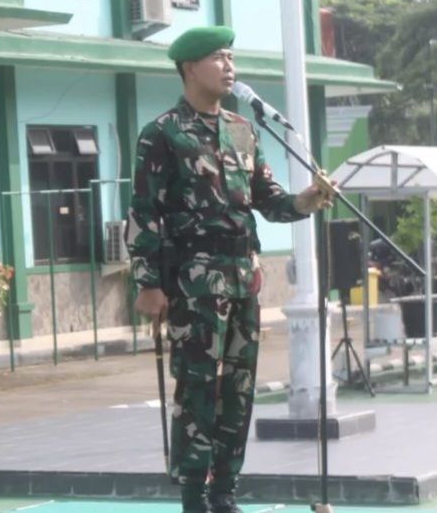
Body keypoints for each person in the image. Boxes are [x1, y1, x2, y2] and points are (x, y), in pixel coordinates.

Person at [126, 26, 336, 513]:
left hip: (244, 277)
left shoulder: (243, 130)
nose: (228, 66)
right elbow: (144, 213)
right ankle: (194, 495)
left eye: (230, 57)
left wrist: (306, 200)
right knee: (200, 387)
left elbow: (268, 200)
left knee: (239, 390)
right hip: (194, 283)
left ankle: (225, 493)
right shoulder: (162, 134)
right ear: (189, 68)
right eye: (217, 58)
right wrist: (148, 284)